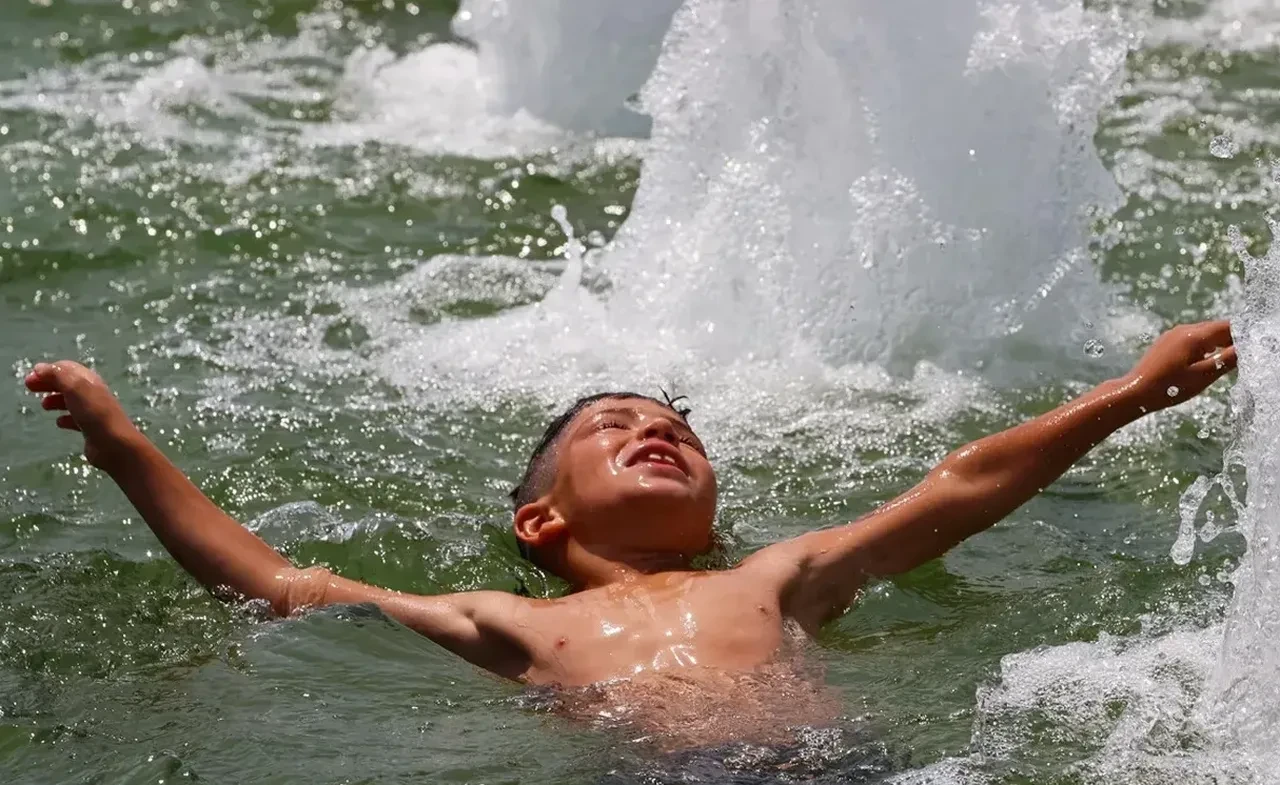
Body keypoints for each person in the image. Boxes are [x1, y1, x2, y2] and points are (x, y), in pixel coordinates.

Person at [22, 320, 1235, 749]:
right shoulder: (514, 619)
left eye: (674, 431)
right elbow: (282, 582)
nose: (654, 433)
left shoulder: (780, 573)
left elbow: (960, 484)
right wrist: (125, 445)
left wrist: (1126, 395)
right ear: (539, 517)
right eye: (612, 427)